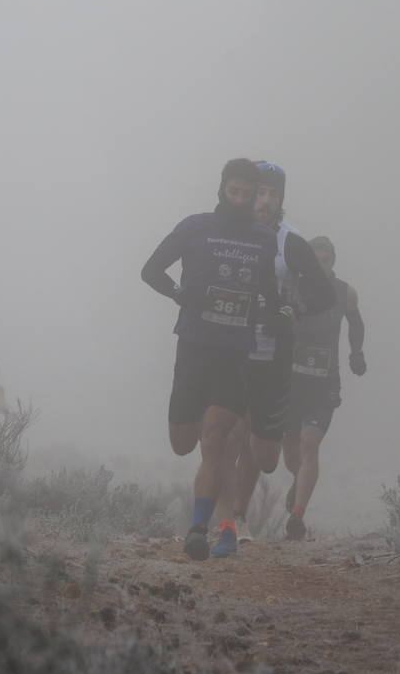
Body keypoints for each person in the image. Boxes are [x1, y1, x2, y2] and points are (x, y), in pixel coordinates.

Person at [141, 158, 280, 561]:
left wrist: (276, 313)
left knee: (216, 438)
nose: (240, 199)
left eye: (247, 193)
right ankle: (211, 522)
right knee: (183, 443)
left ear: (255, 194)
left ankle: (204, 528)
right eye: (233, 191)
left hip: (235, 352)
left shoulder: (263, 239)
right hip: (194, 347)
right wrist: (179, 294)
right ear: (222, 188)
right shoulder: (195, 227)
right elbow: (150, 270)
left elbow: (269, 293)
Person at [211, 161, 334, 557]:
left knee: (262, 454)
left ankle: (239, 511)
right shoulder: (227, 230)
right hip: (229, 347)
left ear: (281, 199)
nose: (264, 202)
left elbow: (324, 294)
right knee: (227, 435)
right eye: (259, 193)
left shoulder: (290, 241)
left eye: (272, 195)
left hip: (272, 355)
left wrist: (291, 312)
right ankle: (229, 522)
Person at [282, 235, 365, 539]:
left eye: (327, 254)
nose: (321, 258)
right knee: (290, 449)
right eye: (316, 254)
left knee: (310, 443)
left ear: (333, 258)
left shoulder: (345, 292)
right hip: (291, 379)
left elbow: (356, 323)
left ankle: (297, 516)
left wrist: (357, 353)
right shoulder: (293, 286)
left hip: (325, 381)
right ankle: (298, 479)